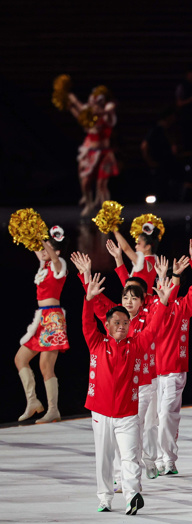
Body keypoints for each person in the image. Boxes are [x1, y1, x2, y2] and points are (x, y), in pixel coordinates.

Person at [82, 273, 173, 514]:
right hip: (101, 413)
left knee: (130, 456)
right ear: (108, 325)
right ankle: (104, 498)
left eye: (125, 323)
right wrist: (88, 299)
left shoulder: (136, 345)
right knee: (104, 458)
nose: (122, 326)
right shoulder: (97, 343)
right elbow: (86, 324)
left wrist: (163, 304)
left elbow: (152, 330)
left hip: (128, 414)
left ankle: (133, 496)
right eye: (117, 323)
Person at [16, 230, 69, 424]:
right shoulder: (44, 266)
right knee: (20, 359)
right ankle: (33, 402)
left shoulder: (59, 265)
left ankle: (53, 410)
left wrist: (43, 241)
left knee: (45, 366)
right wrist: (27, 233)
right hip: (40, 319)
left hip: (53, 318)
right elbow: (38, 250)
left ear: (56, 251)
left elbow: (53, 256)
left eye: (47, 248)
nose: (43, 251)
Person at [66, 86, 118, 215]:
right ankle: (89, 203)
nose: (93, 105)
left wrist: (92, 111)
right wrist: (70, 100)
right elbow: (79, 110)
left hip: (105, 153)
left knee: (102, 184)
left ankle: (107, 211)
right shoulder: (89, 115)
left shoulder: (107, 113)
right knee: (85, 181)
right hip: (92, 152)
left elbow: (109, 109)